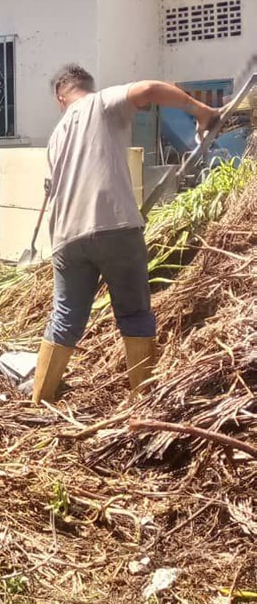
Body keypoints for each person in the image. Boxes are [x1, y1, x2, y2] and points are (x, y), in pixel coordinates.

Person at [32, 65, 221, 404]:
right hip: (115, 227)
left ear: (61, 97)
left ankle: (39, 397)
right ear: (87, 87)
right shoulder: (102, 102)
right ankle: (143, 400)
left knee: (65, 318)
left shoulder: (56, 135)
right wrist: (201, 111)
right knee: (134, 314)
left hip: (66, 240)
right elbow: (148, 89)